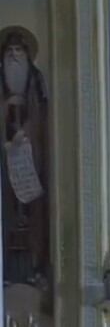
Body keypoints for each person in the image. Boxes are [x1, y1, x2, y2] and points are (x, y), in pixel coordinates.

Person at [0, 27, 49, 288]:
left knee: (33, 210)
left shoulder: (35, 79)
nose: (13, 55)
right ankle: (6, 269)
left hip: (31, 155)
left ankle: (35, 266)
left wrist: (26, 133)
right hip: (5, 159)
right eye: (9, 51)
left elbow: (42, 114)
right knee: (7, 209)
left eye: (18, 50)